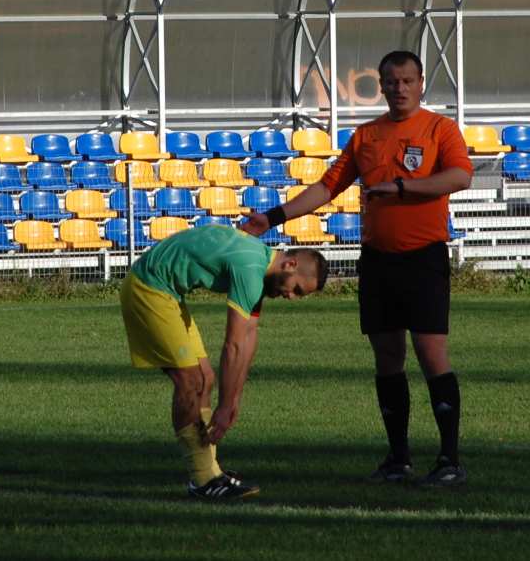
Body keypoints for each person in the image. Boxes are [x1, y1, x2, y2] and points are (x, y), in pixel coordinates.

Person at [242, 50, 473, 487]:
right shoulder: (366, 136)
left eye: (408, 80)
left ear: (421, 83)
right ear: (381, 86)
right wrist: (272, 217)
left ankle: (449, 460)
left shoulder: (440, 129)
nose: (400, 88)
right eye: (391, 81)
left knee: (431, 354)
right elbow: (328, 187)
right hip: (379, 261)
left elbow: (460, 177)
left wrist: (403, 186)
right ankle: (398, 458)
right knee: (388, 358)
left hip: (423, 258)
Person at [120, 224, 328, 499]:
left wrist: (234, 401)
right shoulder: (250, 268)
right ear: (290, 264)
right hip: (148, 288)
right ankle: (204, 478)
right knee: (190, 381)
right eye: (297, 290)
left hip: (167, 293)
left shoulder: (259, 265)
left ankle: (209, 472)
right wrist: (225, 404)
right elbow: (233, 345)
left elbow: (249, 337)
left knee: (205, 379)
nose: (292, 297)